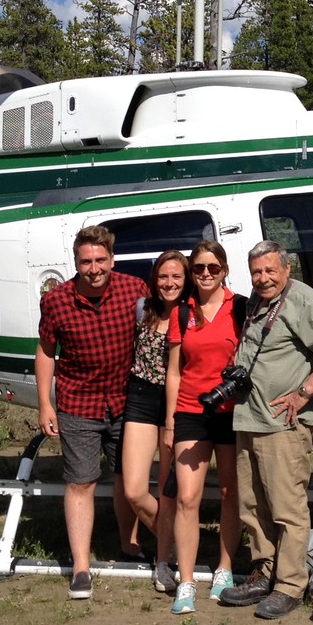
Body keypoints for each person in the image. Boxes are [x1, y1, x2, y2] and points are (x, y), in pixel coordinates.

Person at [218, 241, 313, 620]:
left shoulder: (302, 300)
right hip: (250, 419)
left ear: (286, 268)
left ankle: (290, 585)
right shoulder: (260, 303)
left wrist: (304, 392)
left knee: (286, 508)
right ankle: (263, 572)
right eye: (256, 272)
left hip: (282, 425)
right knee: (252, 505)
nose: (263, 278)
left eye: (270, 271)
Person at [36, 225, 150, 600]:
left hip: (126, 400)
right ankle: (81, 567)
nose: (94, 267)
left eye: (101, 259)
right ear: (76, 263)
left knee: (126, 480)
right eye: (86, 261)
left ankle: (129, 545)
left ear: (112, 260)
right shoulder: (56, 301)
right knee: (80, 482)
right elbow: (46, 351)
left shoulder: (135, 290)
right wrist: (45, 403)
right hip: (78, 402)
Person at [162, 240, 243, 615]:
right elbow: (175, 371)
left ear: (224, 269)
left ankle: (225, 569)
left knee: (229, 493)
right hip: (191, 411)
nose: (206, 274)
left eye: (213, 267)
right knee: (187, 498)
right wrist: (169, 420)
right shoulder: (182, 313)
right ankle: (187, 580)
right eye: (199, 269)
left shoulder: (240, 307)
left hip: (230, 412)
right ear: (192, 273)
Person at [121, 250, 190, 595]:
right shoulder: (142, 309)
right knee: (135, 489)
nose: (170, 283)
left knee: (168, 490)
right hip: (142, 396)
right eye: (164, 276)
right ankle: (178, 542)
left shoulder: (191, 313)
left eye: (177, 276)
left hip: (177, 402)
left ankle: (164, 560)